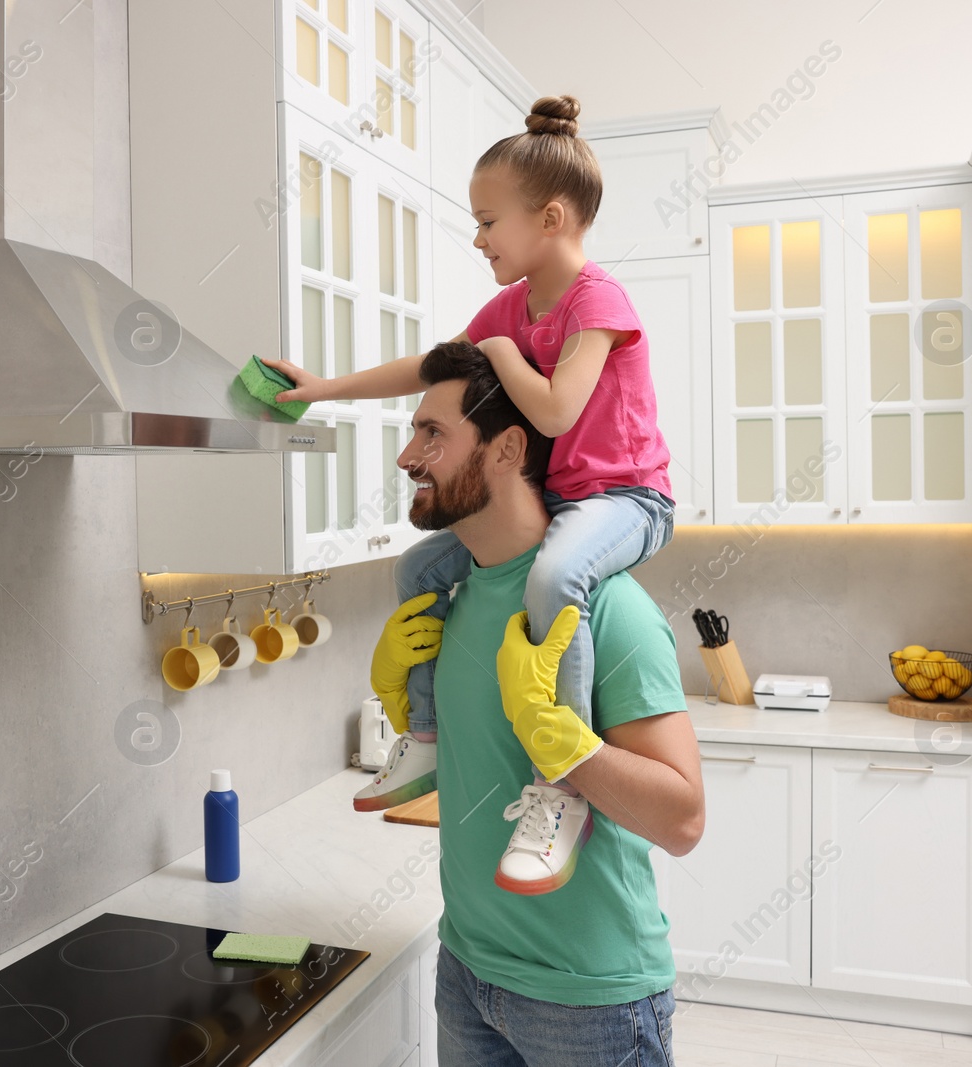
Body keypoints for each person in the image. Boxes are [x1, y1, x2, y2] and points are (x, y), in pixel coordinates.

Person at [265, 95, 675, 892]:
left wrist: (498, 350)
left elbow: (555, 406)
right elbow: (433, 368)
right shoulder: (509, 309)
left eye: (489, 222)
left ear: (550, 217)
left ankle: (561, 781)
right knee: (416, 573)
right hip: (566, 500)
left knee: (558, 579)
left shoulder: (598, 301)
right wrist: (325, 388)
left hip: (627, 499)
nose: (479, 237)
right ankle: (422, 735)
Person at [374, 340, 702, 1065]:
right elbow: (473, 756)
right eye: (411, 431)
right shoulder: (450, 600)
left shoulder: (608, 610)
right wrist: (403, 704)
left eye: (433, 433)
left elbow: (682, 819)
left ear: (506, 448)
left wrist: (566, 742)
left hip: (591, 1006)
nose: (407, 456)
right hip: (466, 972)